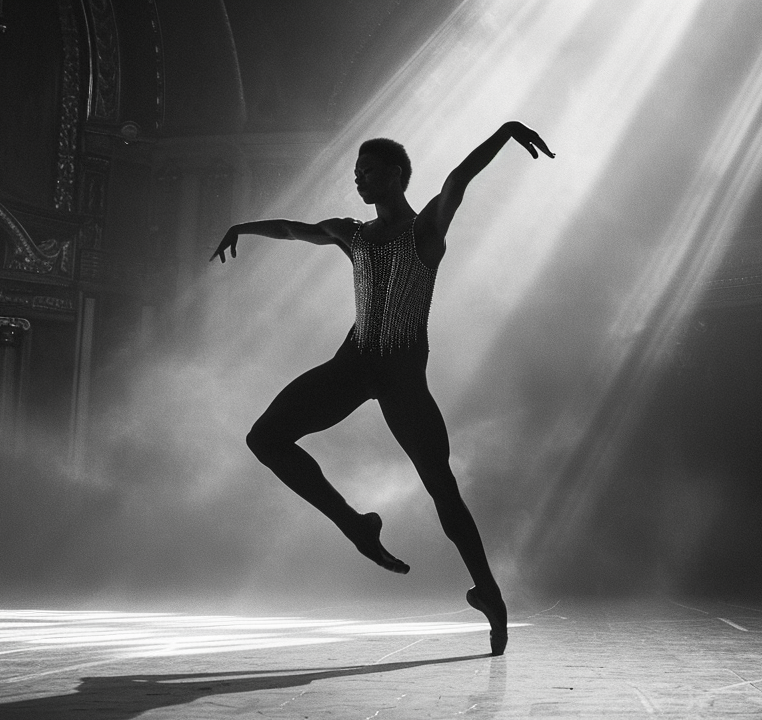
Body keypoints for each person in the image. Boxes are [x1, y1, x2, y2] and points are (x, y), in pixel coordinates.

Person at [211, 121, 554, 656]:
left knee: (443, 489)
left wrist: (506, 131)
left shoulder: (427, 231)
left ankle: (489, 593)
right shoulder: (352, 233)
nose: (359, 181)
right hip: (353, 364)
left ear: (396, 175)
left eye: (367, 172)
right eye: (355, 174)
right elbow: (296, 230)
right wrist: (244, 226)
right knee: (265, 438)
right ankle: (356, 524)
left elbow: (460, 178)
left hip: (401, 376)